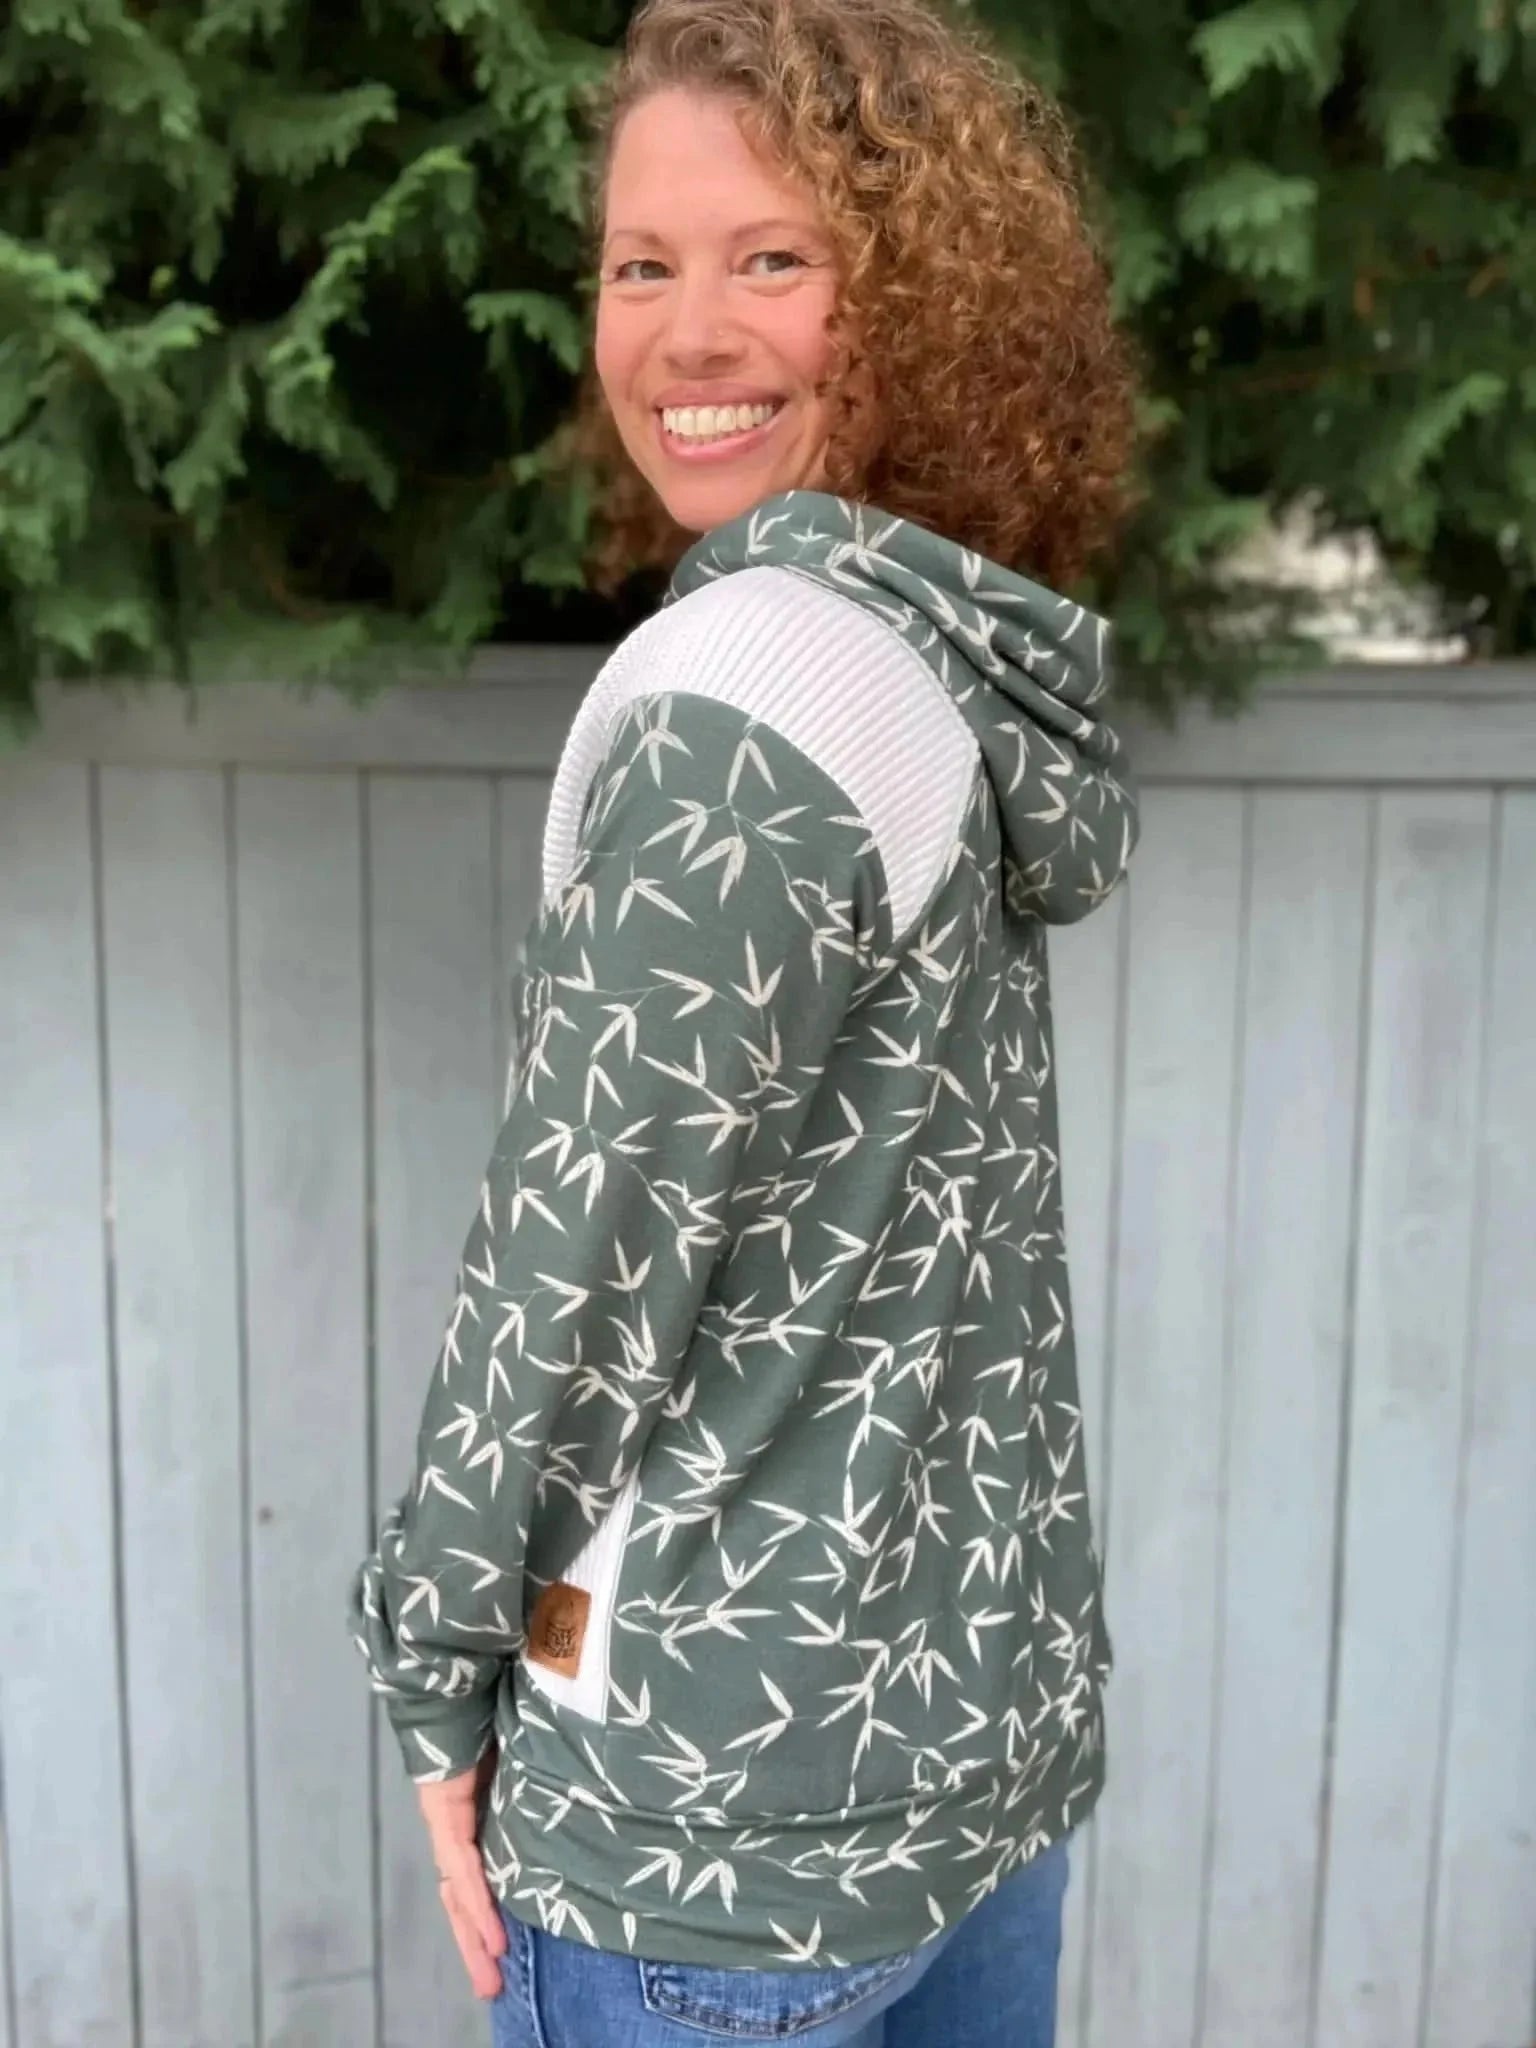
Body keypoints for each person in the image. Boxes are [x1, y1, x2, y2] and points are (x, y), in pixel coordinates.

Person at [349, 0, 1141, 2041]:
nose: (686, 334)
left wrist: (435, 1672)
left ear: (917, 305)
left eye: (771, 259)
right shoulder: (936, 658)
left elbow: (572, 1279)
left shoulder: (749, 715)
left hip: (712, 1844)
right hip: (967, 1773)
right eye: (641, 265)